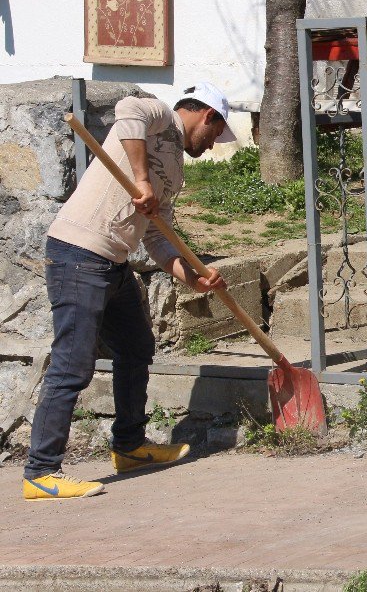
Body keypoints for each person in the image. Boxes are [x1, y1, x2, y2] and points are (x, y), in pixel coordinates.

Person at [23, 83, 235, 501]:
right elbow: (127, 109)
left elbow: (158, 238)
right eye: (215, 136)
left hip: (113, 262)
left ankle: (129, 447)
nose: (212, 147)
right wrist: (140, 179)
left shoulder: (174, 170)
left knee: (137, 348)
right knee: (73, 365)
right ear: (208, 115)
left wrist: (194, 278)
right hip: (78, 252)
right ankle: (40, 472)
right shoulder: (157, 115)